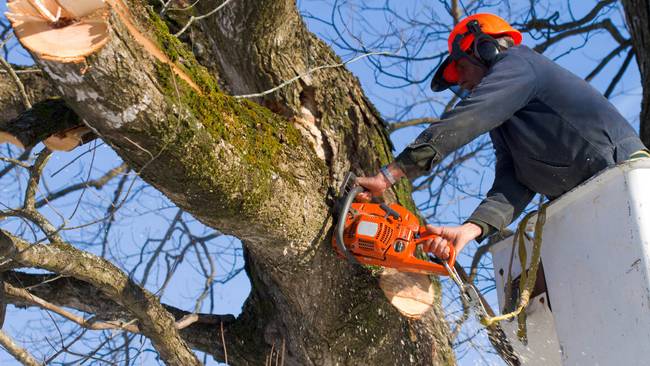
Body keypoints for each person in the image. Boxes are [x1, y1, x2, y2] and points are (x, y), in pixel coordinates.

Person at [356, 13, 648, 260]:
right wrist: (470, 230)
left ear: (485, 49)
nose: (462, 81)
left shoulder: (520, 64)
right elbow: (515, 180)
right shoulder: (507, 120)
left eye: (461, 68)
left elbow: (470, 117)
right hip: (590, 202)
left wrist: (389, 175)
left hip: (623, 177)